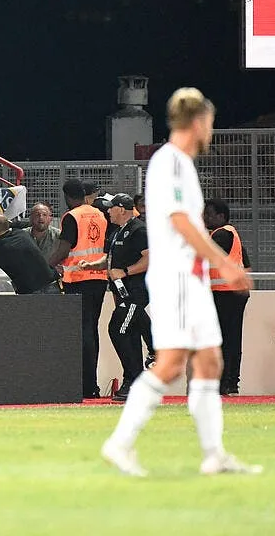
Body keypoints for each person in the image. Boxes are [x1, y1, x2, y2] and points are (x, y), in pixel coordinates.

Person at [102, 88, 258, 478]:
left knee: (208, 362)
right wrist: (224, 263)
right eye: (210, 122)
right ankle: (120, 444)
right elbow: (181, 221)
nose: (211, 130)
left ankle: (214, 454)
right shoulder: (170, 162)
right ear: (198, 121)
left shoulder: (180, 164)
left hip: (190, 277)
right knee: (171, 363)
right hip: (177, 279)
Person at [53, 178, 108, 399]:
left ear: (67, 196)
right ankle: (91, 385)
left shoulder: (71, 217)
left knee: (83, 333)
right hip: (100, 278)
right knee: (92, 331)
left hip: (78, 279)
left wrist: (44, 264)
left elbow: (64, 250)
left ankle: (86, 386)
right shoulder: (100, 214)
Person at [100, 194, 153, 401]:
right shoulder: (119, 231)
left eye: (111, 208)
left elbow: (150, 258)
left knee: (118, 329)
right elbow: (114, 260)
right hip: (123, 292)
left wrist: (126, 271)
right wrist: (97, 265)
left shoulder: (138, 230)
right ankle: (133, 380)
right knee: (127, 332)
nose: (108, 211)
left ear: (121, 209)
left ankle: (135, 378)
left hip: (136, 291)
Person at [204, 198, 251, 396]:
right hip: (232, 293)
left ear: (221, 217)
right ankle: (230, 383)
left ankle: (225, 383)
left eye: (208, 214)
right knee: (231, 339)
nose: (204, 217)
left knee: (224, 340)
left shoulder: (222, 235)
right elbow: (246, 263)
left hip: (226, 294)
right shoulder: (230, 234)